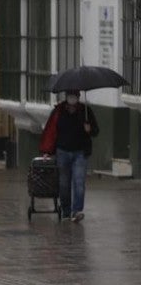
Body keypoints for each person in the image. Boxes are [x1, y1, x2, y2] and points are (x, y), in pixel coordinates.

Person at [40, 90, 99, 222]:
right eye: (70, 96)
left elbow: (96, 131)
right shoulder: (59, 111)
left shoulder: (85, 111)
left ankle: (76, 211)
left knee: (79, 182)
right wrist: (47, 151)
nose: (72, 99)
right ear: (66, 97)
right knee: (64, 184)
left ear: (78, 97)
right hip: (63, 152)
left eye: (75, 96)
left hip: (80, 153)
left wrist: (89, 130)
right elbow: (51, 132)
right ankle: (66, 211)